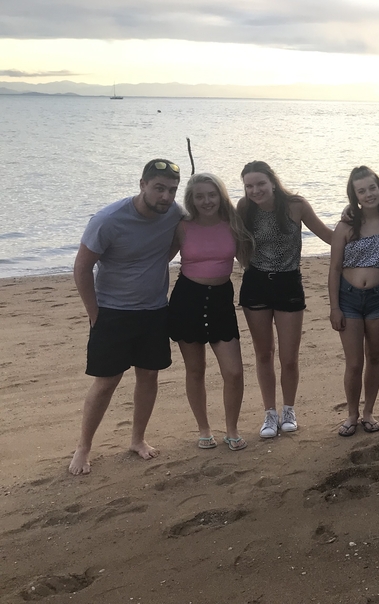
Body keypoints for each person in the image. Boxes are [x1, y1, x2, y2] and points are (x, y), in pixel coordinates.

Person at [69, 159, 182, 475]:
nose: (165, 196)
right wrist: (95, 314)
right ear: (142, 184)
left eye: (172, 190)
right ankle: (83, 447)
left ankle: (137, 439)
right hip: (113, 313)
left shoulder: (173, 213)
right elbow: (81, 267)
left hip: (155, 311)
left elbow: (175, 242)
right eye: (159, 188)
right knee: (106, 383)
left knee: (149, 376)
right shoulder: (108, 220)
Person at [237, 161, 332, 438]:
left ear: (273, 182)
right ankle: (269, 413)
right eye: (249, 185)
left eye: (260, 184)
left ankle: (288, 409)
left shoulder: (295, 205)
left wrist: (362, 237)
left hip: (289, 283)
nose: (255, 190)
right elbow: (233, 242)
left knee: (289, 357)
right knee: (264, 353)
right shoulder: (244, 208)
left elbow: (327, 235)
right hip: (255, 284)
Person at [168, 173, 254, 452]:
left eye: (212, 194)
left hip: (221, 301)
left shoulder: (233, 224)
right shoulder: (181, 226)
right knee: (196, 370)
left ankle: (231, 429)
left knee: (234, 372)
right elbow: (157, 258)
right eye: (200, 196)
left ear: (221, 196)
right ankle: (204, 429)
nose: (207, 201)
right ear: (191, 200)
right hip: (186, 300)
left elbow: (248, 261)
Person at [328, 166, 379, 436]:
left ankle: (368, 412)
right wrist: (334, 307)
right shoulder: (346, 225)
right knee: (354, 362)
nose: (369, 194)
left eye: (372, 188)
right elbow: (334, 268)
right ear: (355, 195)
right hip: (348, 299)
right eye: (362, 190)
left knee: (374, 356)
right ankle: (351, 414)